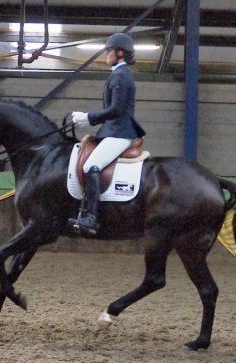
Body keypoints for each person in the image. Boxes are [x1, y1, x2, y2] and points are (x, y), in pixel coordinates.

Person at [67, 32, 146, 236]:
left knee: (91, 166)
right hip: (113, 130)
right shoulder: (118, 74)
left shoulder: (121, 75)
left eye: (109, 51)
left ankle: (91, 217)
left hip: (120, 133)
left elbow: (116, 110)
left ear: (120, 53)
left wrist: (88, 117)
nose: (107, 55)